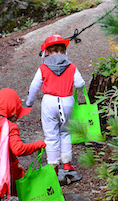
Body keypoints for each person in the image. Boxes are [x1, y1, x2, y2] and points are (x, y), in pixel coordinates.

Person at [25, 34, 86, 185]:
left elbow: (34, 87)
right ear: (65, 51)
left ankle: (53, 167)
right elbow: (80, 84)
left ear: (46, 52)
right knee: (65, 132)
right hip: (67, 101)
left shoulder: (43, 68)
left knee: (51, 136)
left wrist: (29, 102)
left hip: (49, 102)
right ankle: (66, 164)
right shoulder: (72, 67)